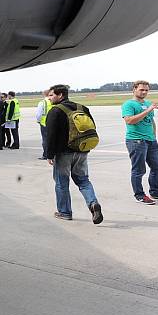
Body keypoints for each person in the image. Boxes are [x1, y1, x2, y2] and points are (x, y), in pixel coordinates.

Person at [45, 84, 103, 224]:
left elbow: (50, 135)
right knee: (83, 181)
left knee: (61, 183)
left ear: (60, 95)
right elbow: (91, 128)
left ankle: (64, 212)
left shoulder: (56, 111)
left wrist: (49, 154)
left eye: (52, 95)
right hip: (82, 151)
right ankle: (93, 203)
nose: (50, 97)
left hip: (63, 153)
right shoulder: (82, 108)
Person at [121, 80, 158, 205]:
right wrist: (148, 110)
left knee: (157, 167)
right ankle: (140, 195)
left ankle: (155, 192)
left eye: (146, 90)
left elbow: (151, 121)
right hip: (136, 141)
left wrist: (154, 136)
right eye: (141, 89)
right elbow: (129, 121)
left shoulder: (148, 103)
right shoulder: (128, 104)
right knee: (139, 170)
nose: (144, 92)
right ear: (134, 89)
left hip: (150, 141)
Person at [36, 89, 52, 160]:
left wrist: (38, 121)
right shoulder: (54, 102)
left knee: (45, 140)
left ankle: (46, 155)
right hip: (54, 123)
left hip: (44, 123)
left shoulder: (43, 102)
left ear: (44, 94)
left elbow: (39, 114)